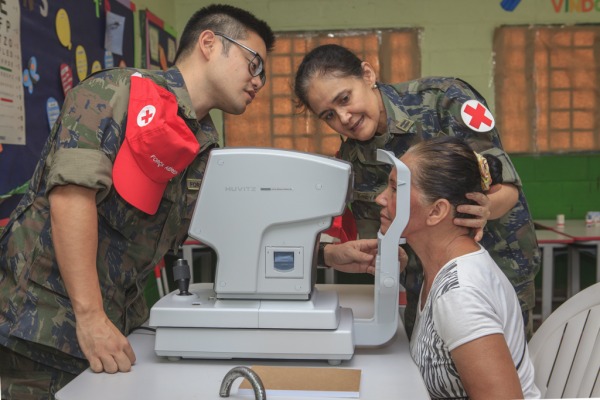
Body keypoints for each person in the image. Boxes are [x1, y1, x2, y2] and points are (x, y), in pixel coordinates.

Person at [0, 4, 275, 398]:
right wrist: (91, 318)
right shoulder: (118, 92)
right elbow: (71, 197)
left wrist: (325, 253)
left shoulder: (201, 140)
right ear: (210, 44)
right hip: (40, 327)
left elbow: (215, 224)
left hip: (113, 330)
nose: (259, 81)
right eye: (254, 64)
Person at [294, 44, 540, 339]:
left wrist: (485, 208)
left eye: (345, 99)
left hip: (496, 269)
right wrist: (383, 255)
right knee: (425, 374)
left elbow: (507, 189)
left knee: (495, 371)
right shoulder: (353, 158)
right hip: (424, 283)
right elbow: (381, 235)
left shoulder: (444, 101)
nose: (343, 118)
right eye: (329, 115)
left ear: (368, 74)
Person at [377, 136, 540, 399]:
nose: (380, 199)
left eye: (395, 188)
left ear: (437, 211)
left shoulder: (459, 295)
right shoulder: (443, 268)